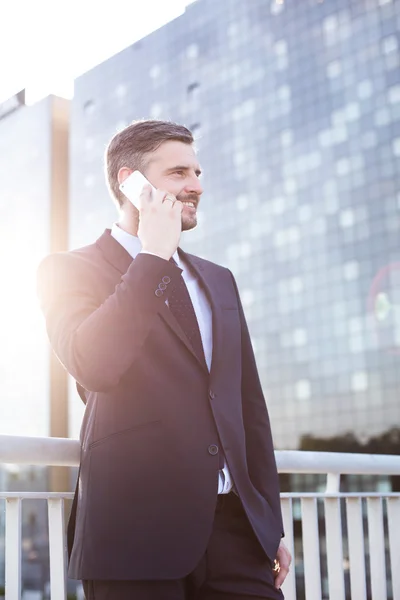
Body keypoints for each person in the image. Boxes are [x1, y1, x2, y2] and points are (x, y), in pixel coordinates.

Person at [37, 120, 291, 600]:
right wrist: (152, 254)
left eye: (197, 172)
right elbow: (94, 363)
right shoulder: (68, 269)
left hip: (236, 535)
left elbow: (248, 409)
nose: (196, 185)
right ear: (129, 181)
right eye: (178, 173)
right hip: (135, 534)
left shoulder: (219, 280)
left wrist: (268, 522)